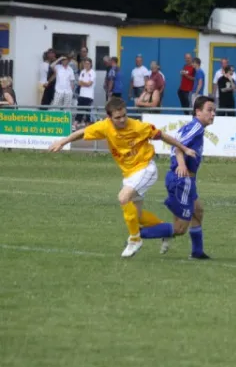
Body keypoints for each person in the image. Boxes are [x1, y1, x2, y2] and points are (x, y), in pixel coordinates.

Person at [48, 98, 197, 257]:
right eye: (117, 117)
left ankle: (135, 240)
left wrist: (184, 148)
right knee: (137, 216)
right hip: (130, 174)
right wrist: (63, 141)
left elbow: (163, 136)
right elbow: (83, 132)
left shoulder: (138, 127)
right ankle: (165, 230)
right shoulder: (105, 126)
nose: (122, 120)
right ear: (109, 117)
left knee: (123, 197)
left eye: (124, 115)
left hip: (146, 168)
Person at [138, 96, 215, 260]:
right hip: (182, 179)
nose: (213, 114)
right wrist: (181, 164)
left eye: (214, 110)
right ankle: (137, 234)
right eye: (209, 110)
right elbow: (178, 146)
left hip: (186, 181)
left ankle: (197, 252)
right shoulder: (196, 127)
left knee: (198, 211)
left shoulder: (193, 127)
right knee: (180, 229)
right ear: (198, 112)